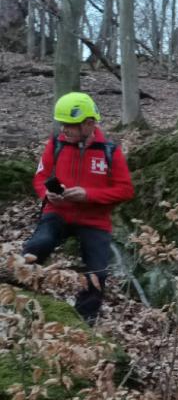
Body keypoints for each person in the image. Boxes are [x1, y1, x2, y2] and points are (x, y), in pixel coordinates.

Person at [24, 92, 134, 324]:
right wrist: (47, 194)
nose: (65, 129)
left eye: (70, 125)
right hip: (57, 213)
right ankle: (17, 293)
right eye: (63, 124)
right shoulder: (55, 144)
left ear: (89, 124)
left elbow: (125, 190)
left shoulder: (110, 151)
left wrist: (89, 195)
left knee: (97, 273)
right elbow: (41, 176)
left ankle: (84, 323)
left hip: (94, 221)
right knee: (37, 246)